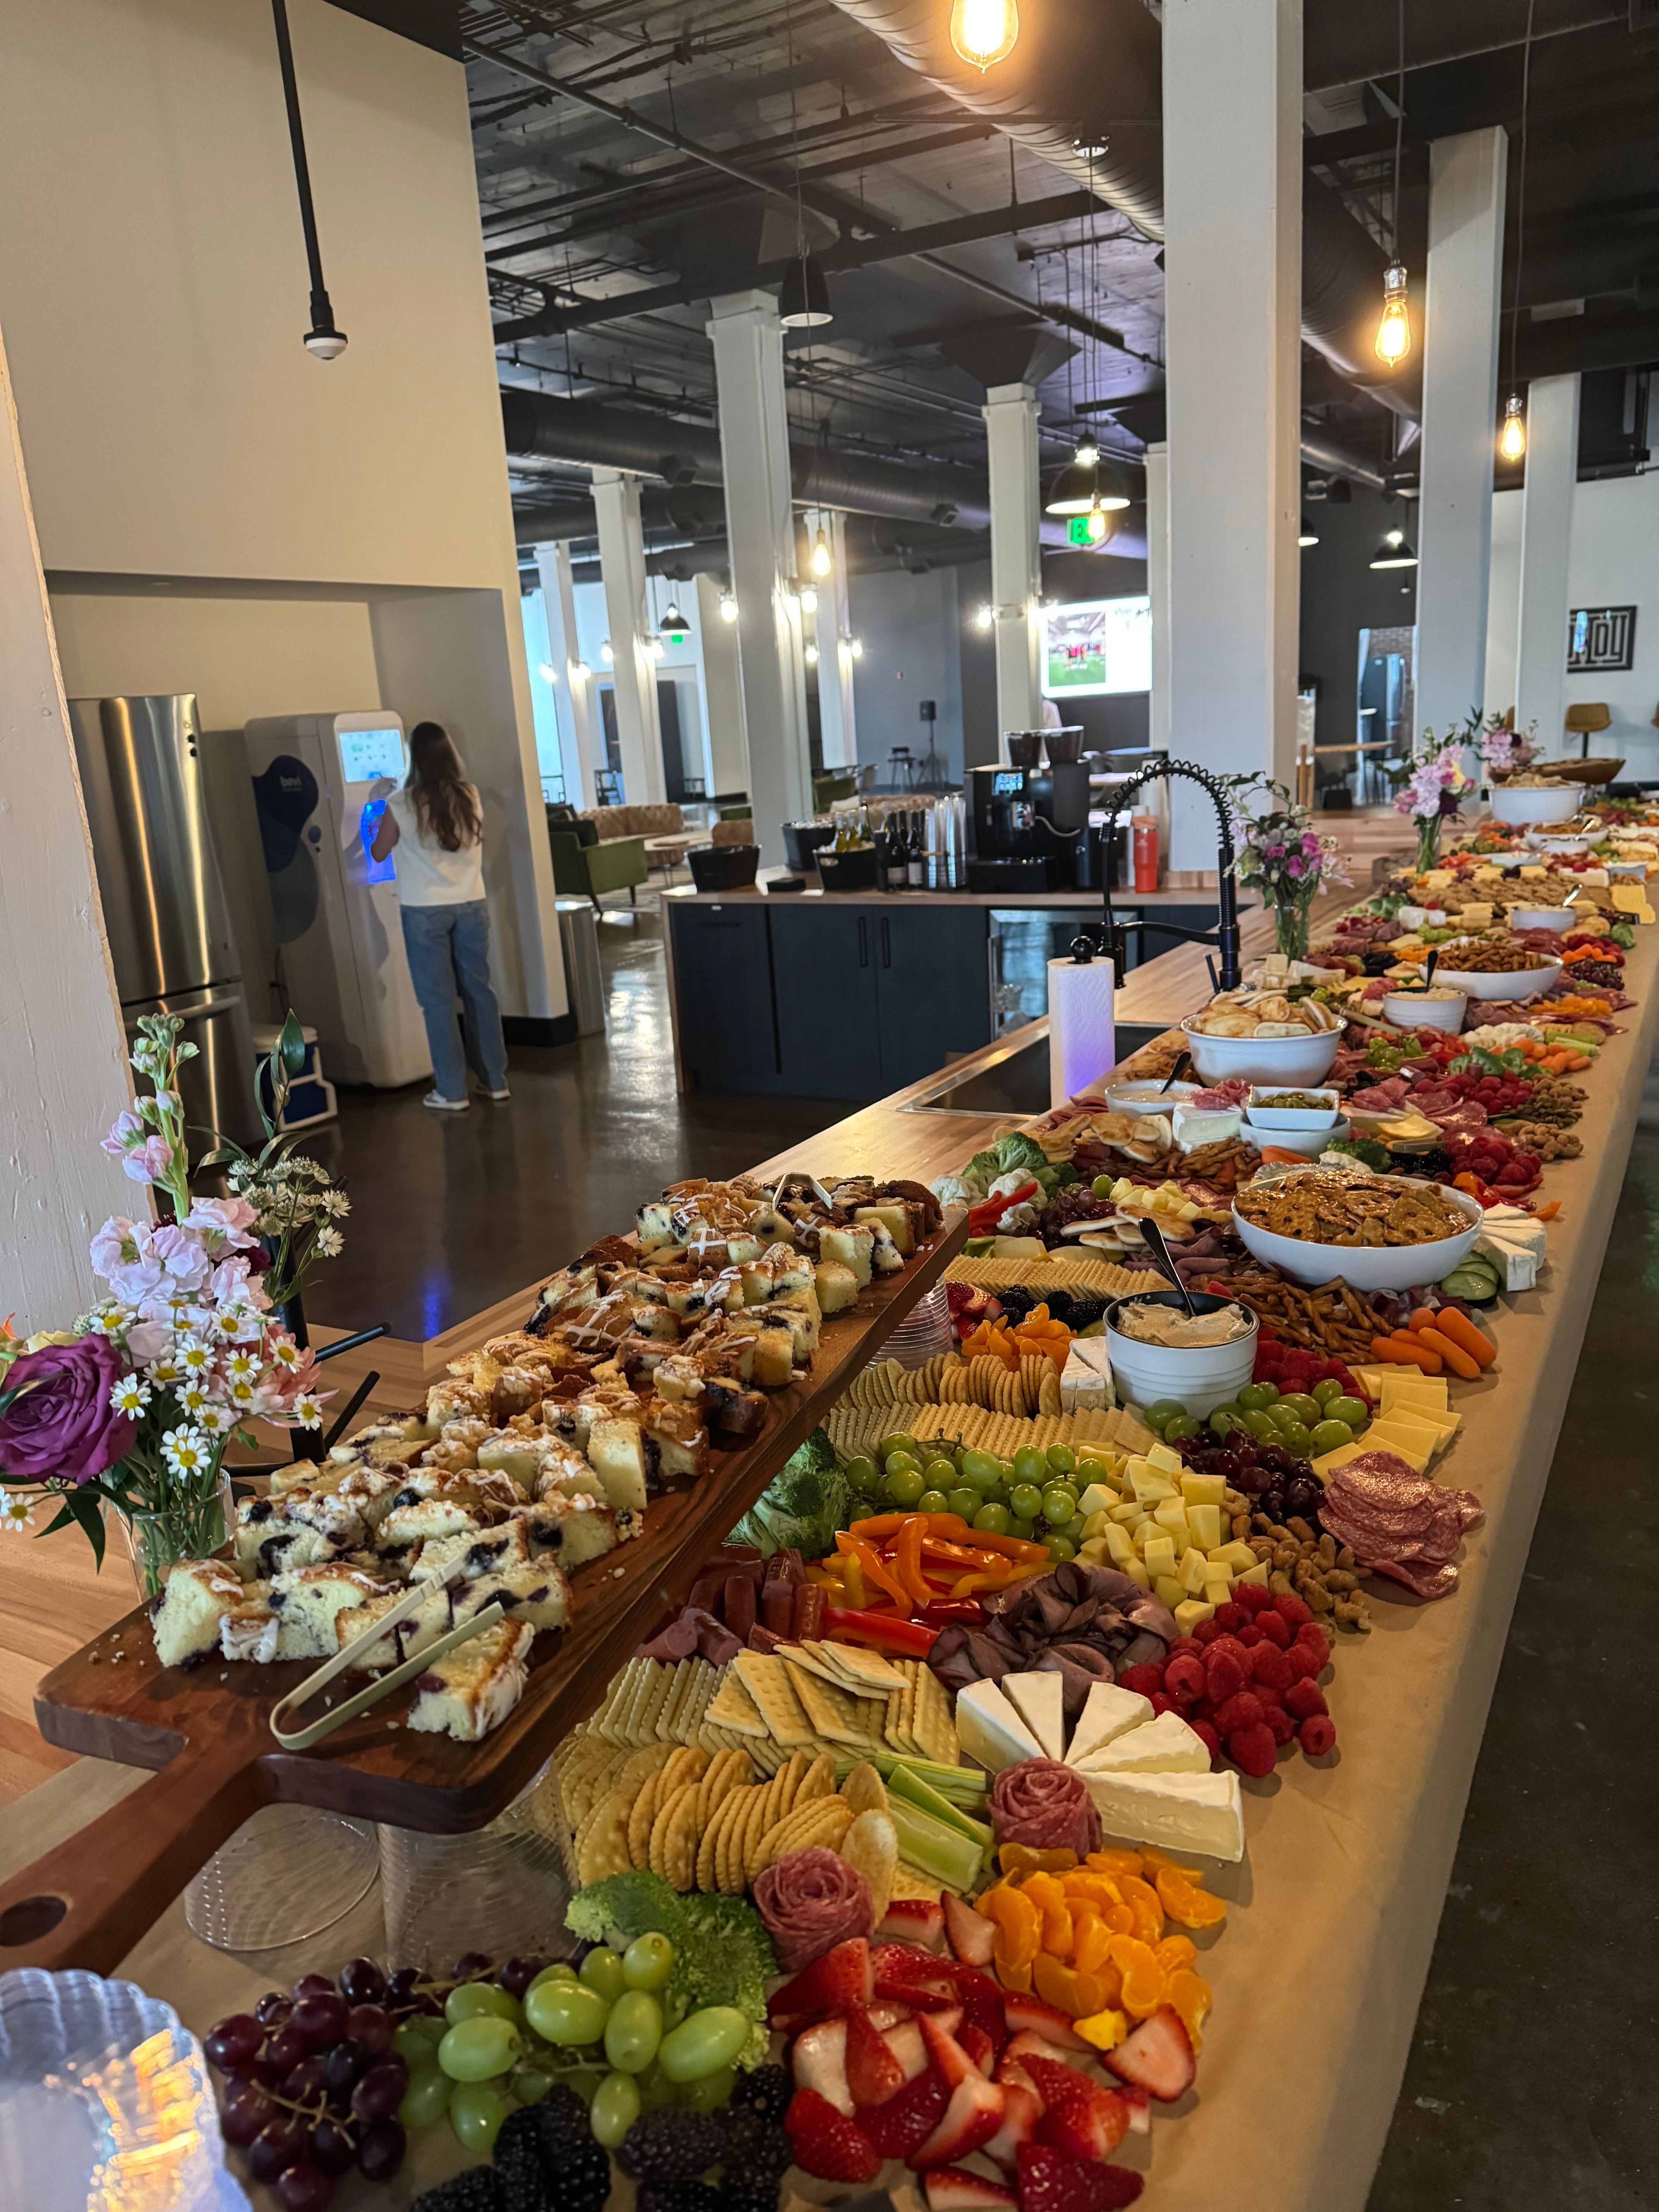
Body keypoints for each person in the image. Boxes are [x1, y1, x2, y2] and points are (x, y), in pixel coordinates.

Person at [369, 722, 510, 1112]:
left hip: (423, 911)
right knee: (481, 994)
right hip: (472, 904)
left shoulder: (401, 803)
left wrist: (378, 809)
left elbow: (379, 853)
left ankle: (452, 1091)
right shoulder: (470, 796)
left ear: (413, 757)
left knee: (438, 1002)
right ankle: (495, 1080)